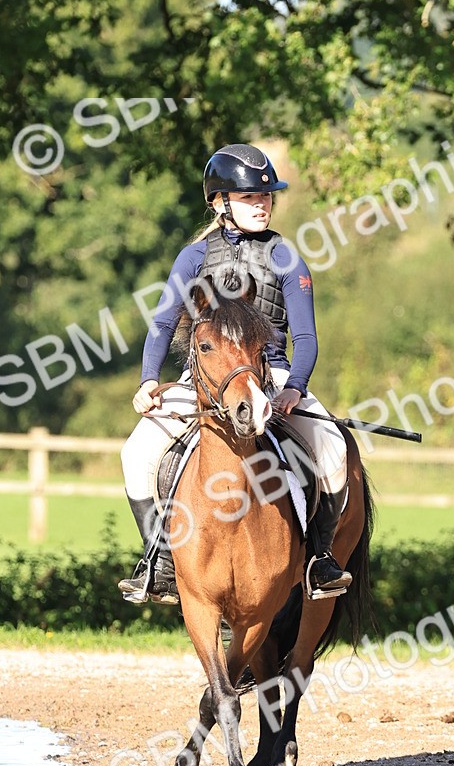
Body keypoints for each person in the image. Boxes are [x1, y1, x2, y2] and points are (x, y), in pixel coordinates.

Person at [118, 142, 352, 604]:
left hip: (273, 377)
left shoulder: (286, 257)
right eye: (249, 198)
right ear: (220, 202)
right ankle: (160, 561)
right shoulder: (193, 258)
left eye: (266, 197)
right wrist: (148, 380)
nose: (261, 205)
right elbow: (163, 324)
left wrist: (295, 390)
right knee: (136, 453)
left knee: (334, 449)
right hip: (205, 382)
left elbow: (305, 339)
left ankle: (318, 559)